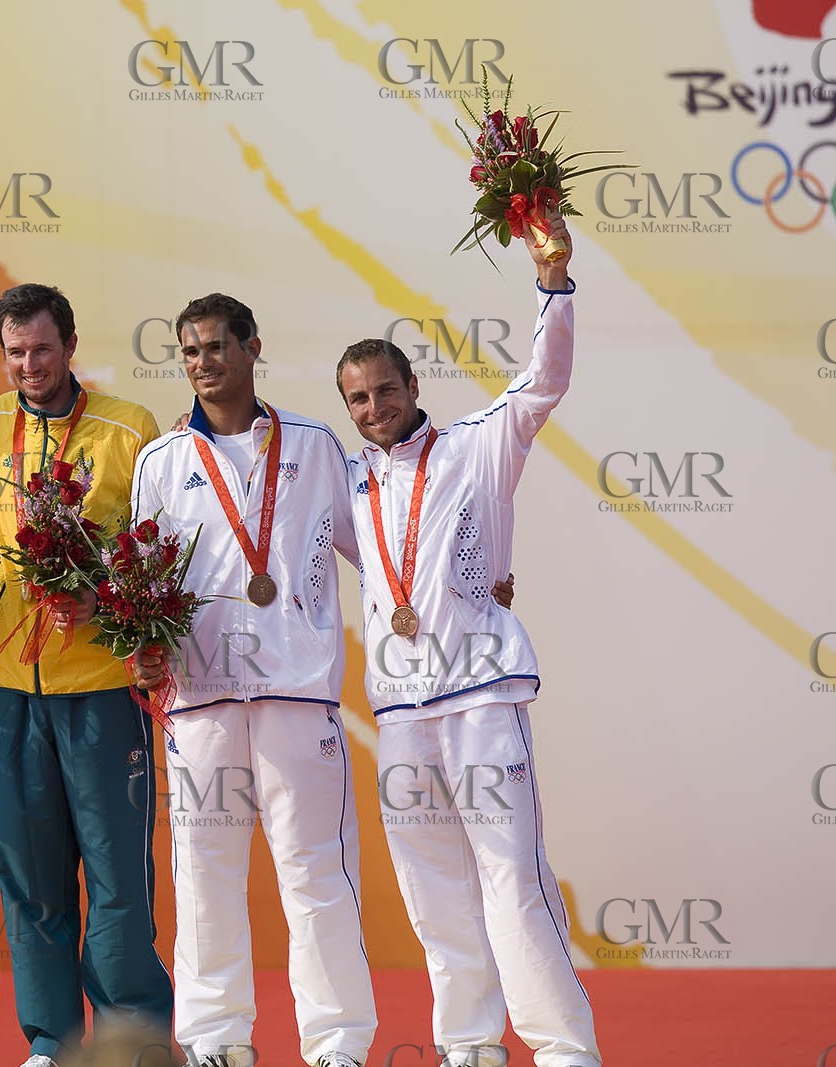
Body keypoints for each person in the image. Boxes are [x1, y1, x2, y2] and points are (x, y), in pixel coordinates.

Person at [334, 216, 599, 1067]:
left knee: (511, 882)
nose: (374, 408)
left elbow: (545, 380)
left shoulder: (481, 446)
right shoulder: (346, 483)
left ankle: (562, 1049)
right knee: (433, 893)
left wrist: (551, 276)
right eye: (358, 399)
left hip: (483, 696)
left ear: (414, 384)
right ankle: (470, 1044)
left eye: (385, 389)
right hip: (402, 711)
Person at [128, 293, 375, 1067]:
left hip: (297, 697)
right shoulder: (162, 461)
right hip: (200, 701)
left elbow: (376, 549)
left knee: (316, 871)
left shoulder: (313, 444)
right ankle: (213, 1040)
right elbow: (139, 578)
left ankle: (336, 1043)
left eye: (216, 347)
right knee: (203, 876)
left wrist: (467, 591)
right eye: (191, 352)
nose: (204, 363)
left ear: (253, 346)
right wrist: (140, 647)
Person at [0, 283, 174, 1067]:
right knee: (29, 878)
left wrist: (104, 597)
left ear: (70, 344)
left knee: (118, 877)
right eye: (16, 351)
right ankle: (50, 1043)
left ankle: (133, 1040)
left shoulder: (132, 428)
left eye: (43, 348)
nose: (30, 364)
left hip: (100, 686)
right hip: (8, 685)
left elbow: (160, 557)